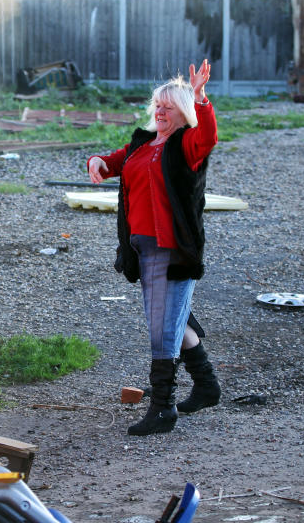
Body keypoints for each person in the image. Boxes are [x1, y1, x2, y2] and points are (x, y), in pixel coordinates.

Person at [87, 60, 220, 436]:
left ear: (183, 113)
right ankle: (207, 386)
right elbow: (114, 162)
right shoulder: (143, 143)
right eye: (157, 106)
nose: (160, 111)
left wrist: (200, 97)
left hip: (172, 249)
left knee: (162, 326)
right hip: (143, 248)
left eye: (169, 107)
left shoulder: (187, 144)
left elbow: (208, 136)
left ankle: (163, 408)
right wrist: (97, 161)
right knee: (171, 318)